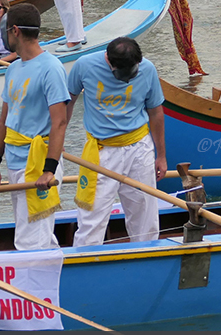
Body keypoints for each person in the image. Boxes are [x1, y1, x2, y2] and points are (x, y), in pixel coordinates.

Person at [0, 4, 68, 250]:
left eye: (5, 30)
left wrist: (49, 170)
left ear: (14, 31)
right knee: (30, 232)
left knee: (31, 239)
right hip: (15, 162)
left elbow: (59, 122)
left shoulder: (51, 68)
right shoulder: (13, 68)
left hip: (39, 163)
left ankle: (33, 286)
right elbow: (4, 121)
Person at [66, 36, 167, 247]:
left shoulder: (147, 69)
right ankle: (85, 263)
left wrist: (161, 156)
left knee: (145, 215)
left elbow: (155, 112)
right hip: (101, 151)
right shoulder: (84, 65)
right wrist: (55, 140)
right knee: (91, 217)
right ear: (109, 61)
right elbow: (68, 101)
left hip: (139, 148)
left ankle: (146, 259)